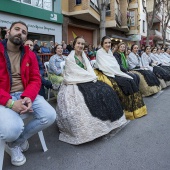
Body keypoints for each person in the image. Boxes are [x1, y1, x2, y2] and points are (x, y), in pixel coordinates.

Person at [0, 21, 56, 166]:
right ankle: (14, 140)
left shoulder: (30, 55)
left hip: (25, 93)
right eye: (17, 29)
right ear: (9, 32)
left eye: (24, 32)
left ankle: (14, 144)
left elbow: (35, 79)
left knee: (50, 115)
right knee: (12, 129)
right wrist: (10, 103)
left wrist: (28, 97)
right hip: (4, 96)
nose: (20, 33)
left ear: (25, 38)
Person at [56, 36, 127, 145]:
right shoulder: (70, 58)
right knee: (87, 97)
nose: (80, 45)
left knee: (106, 90)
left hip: (87, 79)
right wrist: (89, 77)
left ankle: (110, 122)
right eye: (78, 43)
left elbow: (89, 69)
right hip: (74, 82)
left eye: (82, 44)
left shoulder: (84, 56)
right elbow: (74, 73)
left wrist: (90, 77)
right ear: (74, 45)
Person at [94, 36, 147, 120]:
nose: (108, 44)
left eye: (109, 43)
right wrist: (116, 72)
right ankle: (127, 110)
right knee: (125, 84)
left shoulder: (110, 52)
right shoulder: (99, 52)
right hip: (107, 73)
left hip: (115, 72)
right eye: (106, 43)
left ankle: (136, 109)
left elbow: (114, 65)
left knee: (131, 80)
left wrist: (118, 72)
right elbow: (104, 66)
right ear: (102, 44)